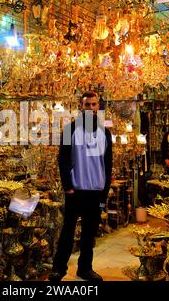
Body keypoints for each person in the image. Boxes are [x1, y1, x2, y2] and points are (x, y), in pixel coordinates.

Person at [49, 91, 112, 282]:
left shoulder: (105, 133)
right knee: (67, 231)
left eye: (94, 105)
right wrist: (68, 187)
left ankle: (85, 269)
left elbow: (108, 164)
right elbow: (63, 160)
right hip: (75, 190)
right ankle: (58, 269)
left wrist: (105, 191)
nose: (91, 108)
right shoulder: (70, 130)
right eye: (87, 105)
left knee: (89, 234)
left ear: (98, 107)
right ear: (81, 107)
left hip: (96, 191)